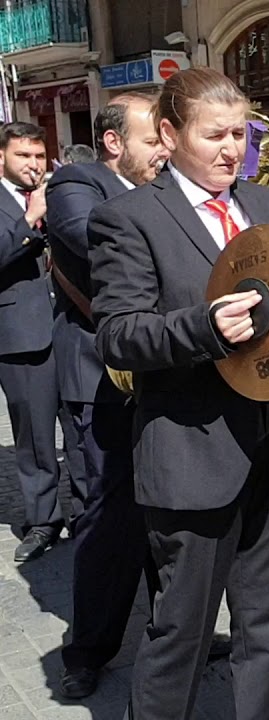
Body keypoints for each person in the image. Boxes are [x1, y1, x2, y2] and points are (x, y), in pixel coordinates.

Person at [87, 67, 269, 719]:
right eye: (214, 134)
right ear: (168, 133)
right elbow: (119, 335)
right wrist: (204, 327)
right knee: (181, 633)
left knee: (267, 627)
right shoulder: (130, 218)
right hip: (193, 454)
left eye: (240, 134)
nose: (232, 149)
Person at [46, 91, 177, 699]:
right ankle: (88, 650)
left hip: (156, 369)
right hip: (99, 379)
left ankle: (171, 628)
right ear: (114, 142)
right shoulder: (77, 181)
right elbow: (85, 236)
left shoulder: (161, 187)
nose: (163, 151)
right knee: (108, 514)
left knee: (164, 508)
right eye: (153, 140)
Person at [0, 122, 78, 563]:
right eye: (22, 156)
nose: (32, 165)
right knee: (35, 440)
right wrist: (30, 219)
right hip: (22, 339)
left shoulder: (58, 195)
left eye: (37, 156)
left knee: (81, 430)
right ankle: (43, 520)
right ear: (1, 158)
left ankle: (88, 513)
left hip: (69, 329)